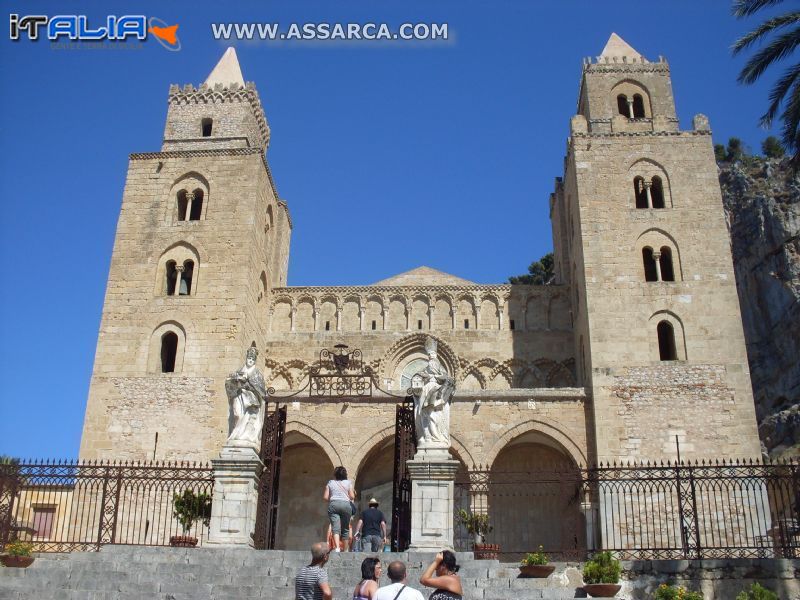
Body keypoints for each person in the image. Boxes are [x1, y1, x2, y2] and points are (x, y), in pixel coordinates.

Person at [224, 346, 267, 447]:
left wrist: (248, 383)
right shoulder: (239, 371)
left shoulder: (257, 374)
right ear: (246, 358)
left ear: (255, 361)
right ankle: (236, 435)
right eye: (249, 358)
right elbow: (230, 382)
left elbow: (261, 389)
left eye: (252, 359)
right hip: (239, 397)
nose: (250, 361)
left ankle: (246, 436)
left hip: (251, 399)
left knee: (249, 417)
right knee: (237, 414)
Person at [323, 465, 355, 552]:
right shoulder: (348, 483)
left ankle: (337, 547)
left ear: (335, 474)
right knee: (345, 528)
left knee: (335, 527)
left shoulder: (330, 483)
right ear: (345, 474)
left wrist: (334, 498)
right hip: (346, 505)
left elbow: (325, 497)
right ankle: (345, 549)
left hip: (334, 504)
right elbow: (352, 496)